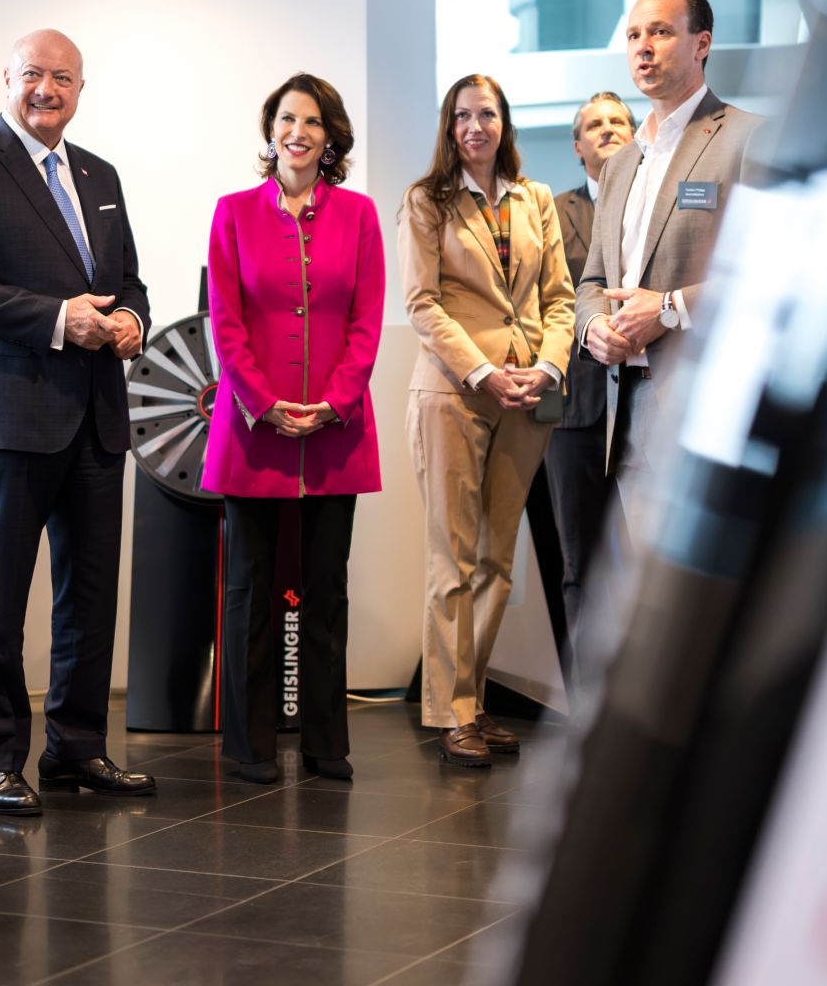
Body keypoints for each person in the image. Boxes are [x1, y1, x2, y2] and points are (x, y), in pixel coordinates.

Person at [0, 30, 154, 815]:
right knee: (0, 596)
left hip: (95, 417)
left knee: (88, 596)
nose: (45, 89)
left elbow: (129, 285)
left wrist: (130, 323)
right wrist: (59, 319)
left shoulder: (101, 175)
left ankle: (77, 749)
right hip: (8, 413)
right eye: (32, 75)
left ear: (81, 89)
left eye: (61, 78)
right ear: (8, 80)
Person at [202, 74, 384, 785]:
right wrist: (261, 400)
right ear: (269, 130)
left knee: (324, 591)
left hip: (334, 433)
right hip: (253, 430)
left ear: (330, 137)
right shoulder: (232, 213)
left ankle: (323, 743)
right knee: (248, 590)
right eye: (286, 119)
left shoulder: (360, 215)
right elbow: (225, 320)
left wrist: (334, 402)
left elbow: (366, 324)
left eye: (311, 121)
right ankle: (247, 746)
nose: (297, 132)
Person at [399, 74, 574, 767]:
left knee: (498, 561)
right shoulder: (427, 200)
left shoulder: (534, 199)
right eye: (462, 116)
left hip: (527, 396)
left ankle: (472, 703)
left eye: (487, 114)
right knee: (453, 557)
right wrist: (481, 370)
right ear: (449, 127)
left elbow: (559, 300)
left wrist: (549, 366)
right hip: (454, 394)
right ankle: (451, 715)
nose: (475, 126)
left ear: (505, 123)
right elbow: (420, 303)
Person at [575, 0, 763, 533]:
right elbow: (591, 281)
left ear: (701, 43)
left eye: (660, 31)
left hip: (704, 406)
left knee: (708, 602)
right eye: (634, 34)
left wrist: (671, 307)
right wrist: (593, 330)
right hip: (624, 405)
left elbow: (767, 275)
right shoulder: (618, 165)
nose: (643, 46)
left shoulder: (746, 138)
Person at [545, 91, 636, 676]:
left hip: (649, 398)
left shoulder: (658, 205)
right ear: (577, 146)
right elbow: (543, 303)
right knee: (580, 560)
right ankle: (587, 710)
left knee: (649, 561)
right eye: (594, 125)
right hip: (574, 411)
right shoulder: (552, 212)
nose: (607, 130)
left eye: (617, 121)